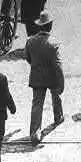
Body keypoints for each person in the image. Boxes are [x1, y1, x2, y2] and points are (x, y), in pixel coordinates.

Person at [24, 11, 65, 145]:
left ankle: (35, 133)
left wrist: (36, 66)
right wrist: (61, 82)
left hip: (37, 76)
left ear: (39, 26)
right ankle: (58, 117)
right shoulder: (53, 43)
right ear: (50, 26)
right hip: (52, 76)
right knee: (56, 96)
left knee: (37, 104)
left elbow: (28, 58)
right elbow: (58, 66)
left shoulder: (30, 41)